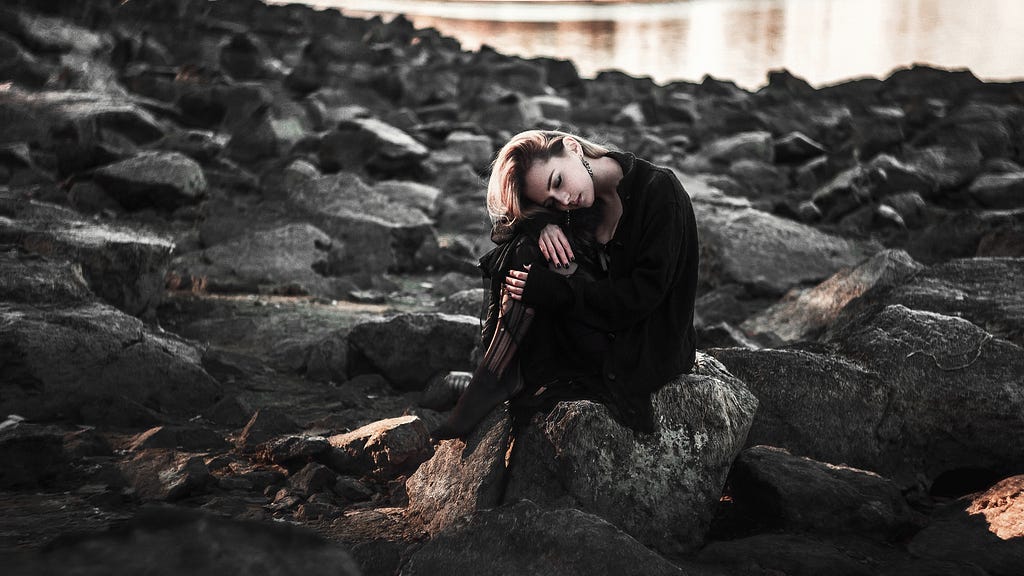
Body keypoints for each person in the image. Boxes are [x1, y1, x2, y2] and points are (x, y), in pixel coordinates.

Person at [431, 129, 699, 440]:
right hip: (601, 326)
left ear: (572, 147)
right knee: (524, 250)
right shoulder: (576, 207)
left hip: (645, 343)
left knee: (531, 266)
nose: (564, 200)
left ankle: (494, 379)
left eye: (557, 182)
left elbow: (641, 297)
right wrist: (540, 222)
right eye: (550, 201)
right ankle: (495, 375)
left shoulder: (658, 190)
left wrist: (557, 292)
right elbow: (503, 229)